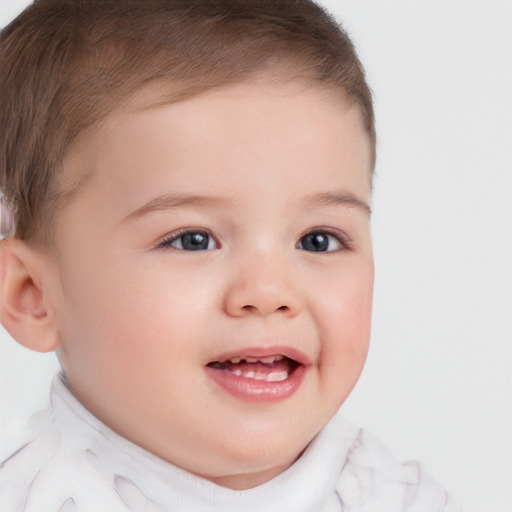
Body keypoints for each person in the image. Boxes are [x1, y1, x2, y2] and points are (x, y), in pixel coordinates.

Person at [0, 1, 459, 510]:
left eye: (318, 239)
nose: (268, 293)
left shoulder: (400, 498)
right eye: (192, 239)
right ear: (33, 295)